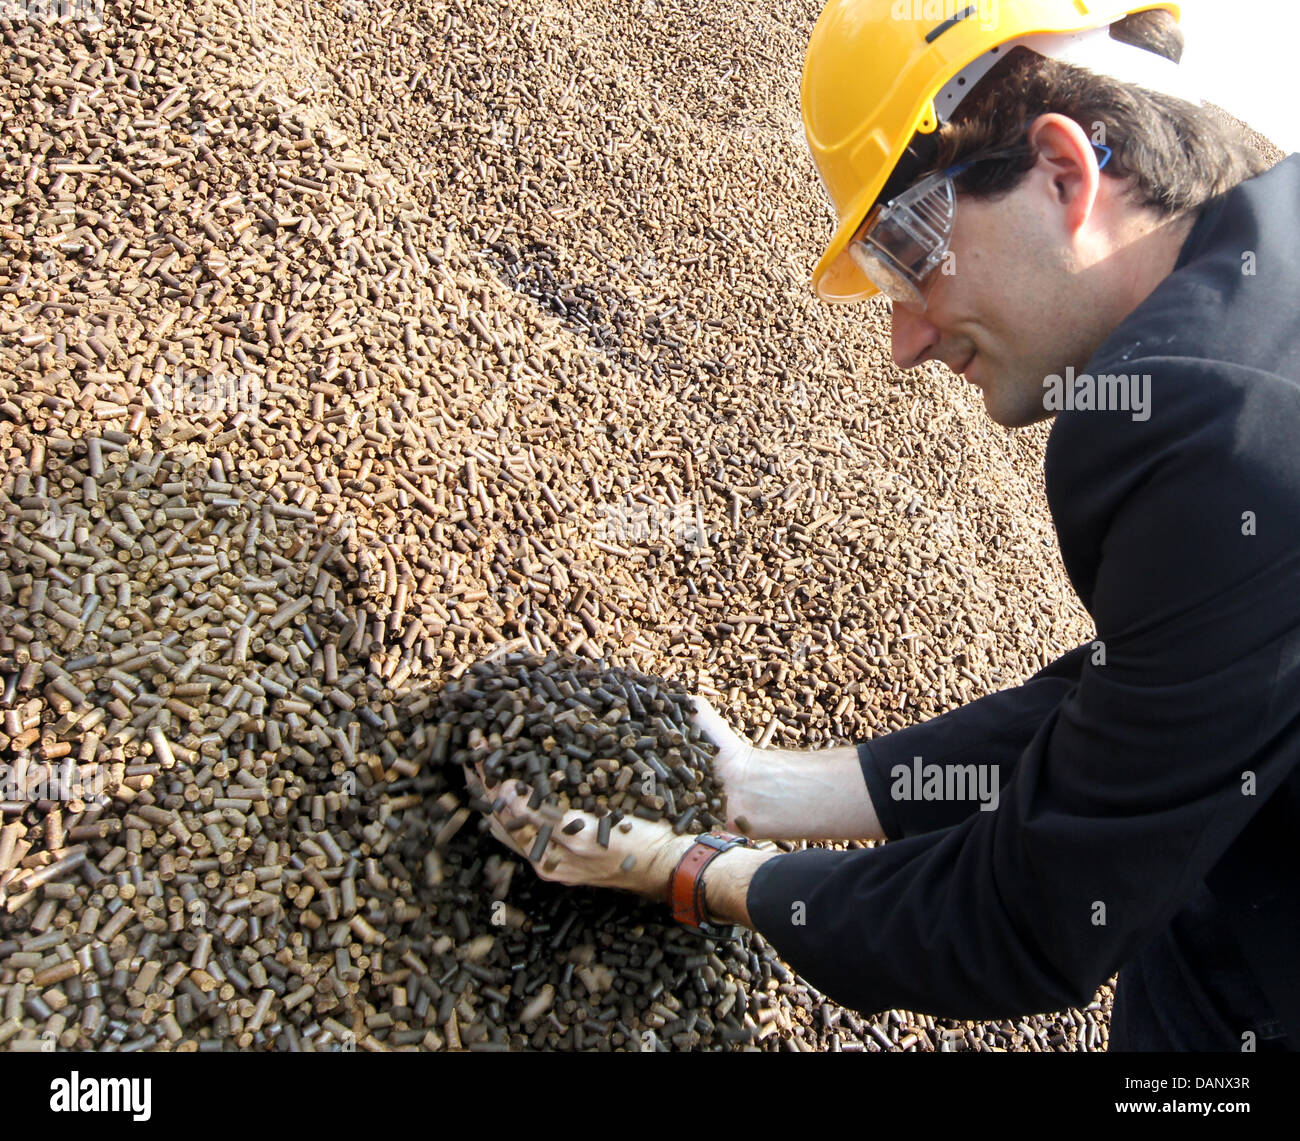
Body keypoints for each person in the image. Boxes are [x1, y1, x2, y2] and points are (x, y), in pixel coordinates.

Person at [468, 0, 1300, 1051]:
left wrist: (697, 873)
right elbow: (1139, 697)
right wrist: (757, 788)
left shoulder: (1197, 416)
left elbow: (1029, 913)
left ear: (1062, 172)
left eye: (908, 254)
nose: (904, 340)